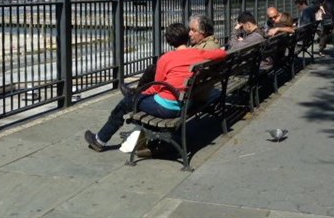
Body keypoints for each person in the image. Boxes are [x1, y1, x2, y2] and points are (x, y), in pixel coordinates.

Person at [84, 22, 227, 153]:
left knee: (126, 102)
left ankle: (99, 140)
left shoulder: (166, 58)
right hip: (187, 103)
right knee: (135, 98)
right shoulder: (198, 53)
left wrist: (140, 94)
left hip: (167, 108)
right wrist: (222, 50)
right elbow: (222, 53)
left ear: (169, 41)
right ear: (186, 38)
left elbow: (156, 87)